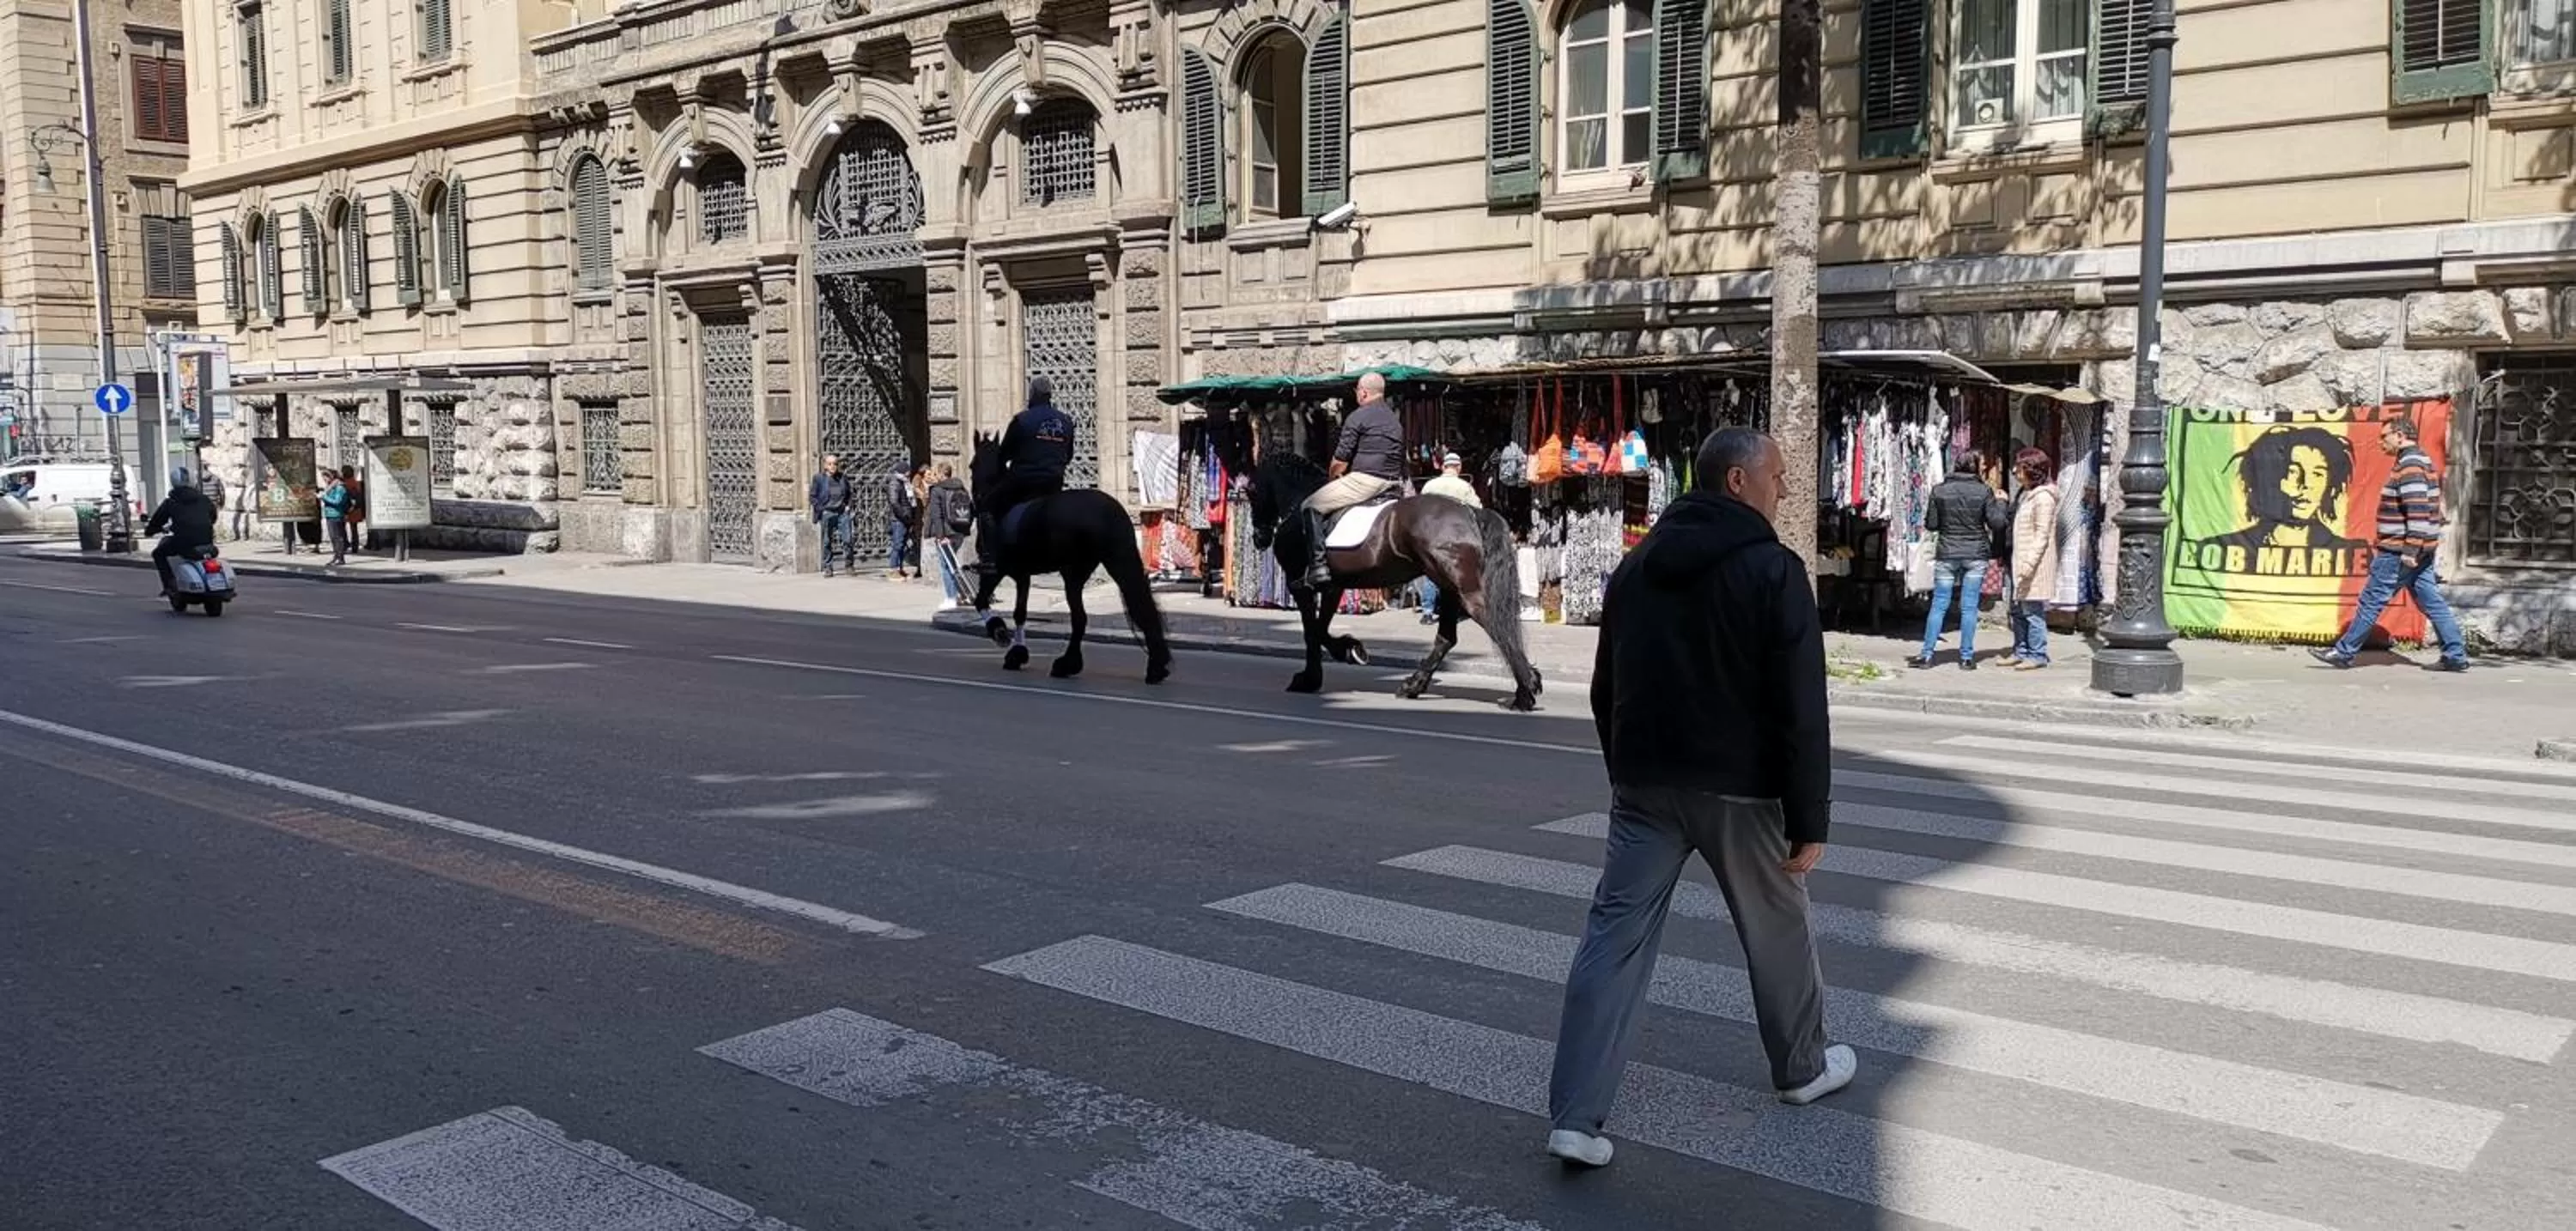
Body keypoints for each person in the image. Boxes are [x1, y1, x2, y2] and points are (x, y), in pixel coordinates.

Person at [1547, 428, 1853, 1170]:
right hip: (1741, 790)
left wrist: (1626, 769)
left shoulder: (1638, 564)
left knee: (1612, 938)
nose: (1786, 490)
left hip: (1647, 784)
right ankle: (1803, 1069)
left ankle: (1576, 1118)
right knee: (1777, 928)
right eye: (1778, 477)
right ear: (1738, 482)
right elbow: (1801, 707)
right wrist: (1809, 815)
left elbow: (1604, 686)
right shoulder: (1772, 570)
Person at [2312, 415, 2470, 672]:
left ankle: (2343, 653)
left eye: (2384, 436)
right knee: (2433, 603)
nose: (2380, 442)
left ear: (2400, 435)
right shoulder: (2420, 461)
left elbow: (2417, 509)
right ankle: (2455, 656)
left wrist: (2410, 550)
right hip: (2418, 551)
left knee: (2371, 601)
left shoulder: (2410, 466)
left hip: (2398, 552)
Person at [1299, 371, 1406, 591]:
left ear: (1364, 393)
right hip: (1393, 484)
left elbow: (1341, 460)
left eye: (1357, 389)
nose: (1357, 394)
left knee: (1310, 505)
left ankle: (1318, 567)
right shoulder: (1395, 421)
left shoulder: (1358, 416)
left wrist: (1332, 477)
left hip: (1365, 480)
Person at [1914, 450, 2003, 670]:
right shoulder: (1984, 491)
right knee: (1969, 607)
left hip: (1947, 552)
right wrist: (2001, 503)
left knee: (1939, 604)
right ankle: (1966, 657)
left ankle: (1926, 655)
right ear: (1974, 467)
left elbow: (1932, 524)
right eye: (1981, 464)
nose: (1984, 468)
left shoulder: (1939, 491)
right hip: (1975, 553)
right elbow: (1997, 523)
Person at [978, 377, 1078, 570]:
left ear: (1032, 395)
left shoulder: (1022, 420)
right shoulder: (1066, 421)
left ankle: (991, 557)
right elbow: (1069, 455)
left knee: (987, 508)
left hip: (1024, 480)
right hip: (1054, 482)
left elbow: (1004, 454)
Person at [2005, 448, 2061, 670]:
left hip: (2033, 564)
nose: (2016, 473)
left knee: (2032, 611)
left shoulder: (2044, 498)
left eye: (2020, 469)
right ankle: (2021, 650)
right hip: (2021, 560)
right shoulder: (2026, 494)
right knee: (2018, 609)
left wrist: (2029, 564)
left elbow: (2042, 534)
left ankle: (2038, 654)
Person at [1413, 451, 1479, 620]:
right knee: (1455, 573)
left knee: (1432, 572)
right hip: (1455, 535)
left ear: (1443, 467)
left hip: (1432, 535)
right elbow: (1477, 510)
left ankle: (1427, 612)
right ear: (1459, 467)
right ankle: (1453, 611)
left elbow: (1420, 510)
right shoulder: (1464, 487)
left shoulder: (1429, 485)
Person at [145, 467, 218, 594]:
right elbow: (213, 516)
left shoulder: (171, 502)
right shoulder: (203, 499)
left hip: (184, 543)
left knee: (158, 553)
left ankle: (169, 584)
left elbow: (157, 520)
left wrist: (150, 531)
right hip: (207, 541)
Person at [927, 462, 975, 610]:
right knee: (954, 565)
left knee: (946, 566)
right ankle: (963, 594)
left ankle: (950, 598)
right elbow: (971, 510)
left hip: (945, 534)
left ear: (941, 474)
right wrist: (964, 529)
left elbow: (936, 515)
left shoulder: (938, 490)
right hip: (959, 532)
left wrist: (940, 535)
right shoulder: (962, 488)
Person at [808, 453, 855, 578]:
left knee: (848, 540)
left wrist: (848, 506)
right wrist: (821, 509)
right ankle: (828, 567)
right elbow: (812, 497)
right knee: (827, 541)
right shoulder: (819, 478)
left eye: (835, 464)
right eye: (830, 464)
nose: (833, 466)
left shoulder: (842, 478)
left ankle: (849, 565)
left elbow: (850, 494)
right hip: (827, 513)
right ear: (825, 465)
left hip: (842, 513)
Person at [884, 460, 923, 579]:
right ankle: (893, 569)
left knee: (902, 544)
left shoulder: (904, 482)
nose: (909, 473)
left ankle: (899, 568)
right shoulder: (895, 483)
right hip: (898, 519)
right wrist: (904, 515)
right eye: (907, 471)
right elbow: (894, 502)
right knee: (897, 544)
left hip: (905, 518)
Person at [319, 467, 353, 567]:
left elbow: (338, 501)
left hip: (337, 515)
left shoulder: (340, 487)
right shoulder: (330, 487)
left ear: (331, 476)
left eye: (325, 477)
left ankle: (340, 558)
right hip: (330, 514)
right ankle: (336, 556)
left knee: (338, 537)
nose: (324, 480)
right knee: (333, 538)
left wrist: (324, 497)